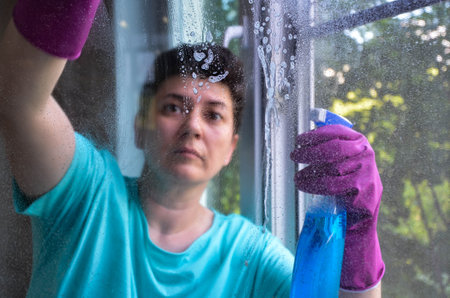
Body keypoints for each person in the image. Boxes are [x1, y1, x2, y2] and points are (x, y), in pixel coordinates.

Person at [0, 0, 384, 297]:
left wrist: (359, 235)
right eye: (173, 107)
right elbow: (18, 99)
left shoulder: (250, 255)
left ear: (232, 148)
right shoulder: (85, 193)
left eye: (214, 115)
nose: (192, 127)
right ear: (139, 129)